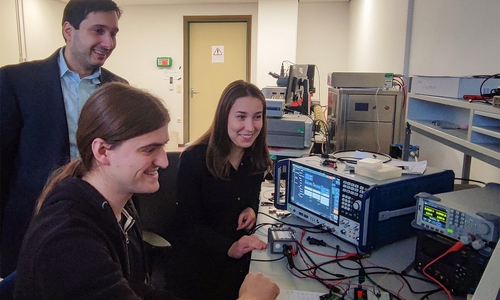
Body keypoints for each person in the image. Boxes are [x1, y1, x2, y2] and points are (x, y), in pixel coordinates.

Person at [14, 82, 280, 300]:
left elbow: (138, 290)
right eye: (149, 149)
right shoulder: (69, 243)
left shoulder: (120, 210)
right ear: (102, 151)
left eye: (163, 146)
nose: (164, 162)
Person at [0, 0, 127, 277]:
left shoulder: (119, 89)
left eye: (114, 33)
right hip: (32, 220)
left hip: (98, 215)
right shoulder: (17, 81)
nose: (108, 42)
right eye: (99, 30)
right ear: (68, 31)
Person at [164, 80, 273, 300]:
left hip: (239, 255)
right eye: (241, 116)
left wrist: (251, 209)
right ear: (225, 117)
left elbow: (251, 196)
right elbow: (186, 227)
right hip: (201, 263)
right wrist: (229, 246)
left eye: (257, 117)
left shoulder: (254, 157)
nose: (250, 127)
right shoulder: (194, 159)